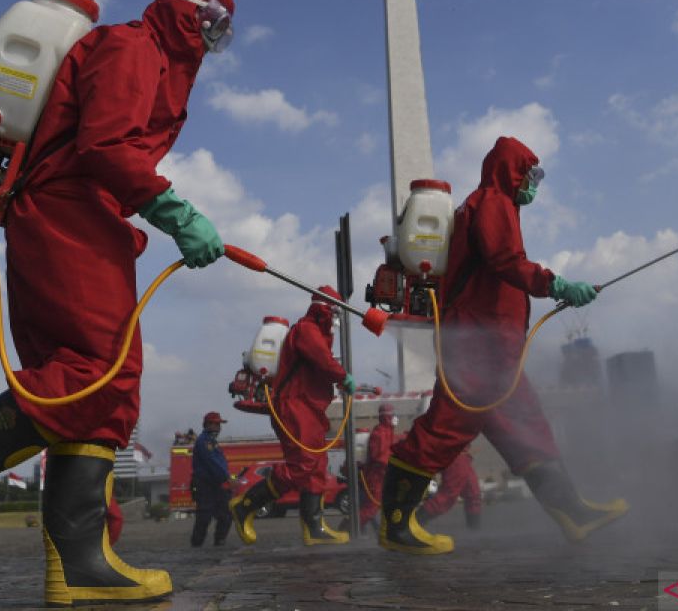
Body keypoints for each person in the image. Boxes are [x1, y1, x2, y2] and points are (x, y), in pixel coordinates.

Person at [0, 0, 235, 605]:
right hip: (68, 215)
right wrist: (175, 211)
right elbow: (106, 147)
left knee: (105, 389)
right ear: (189, 15)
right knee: (97, 371)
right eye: (213, 27)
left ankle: (80, 563)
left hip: (80, 219)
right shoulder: (134, 48)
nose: (214, 45)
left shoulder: (153, 60)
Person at [382, 136, 627, 555]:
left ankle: (573, 513)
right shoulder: (492, 201)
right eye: (531, 173)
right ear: (511, 171)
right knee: (446, 427)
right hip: (479, 345)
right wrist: (555, 284)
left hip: (494, 346)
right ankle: (395, 525)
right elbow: (504, 259)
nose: (534, 183)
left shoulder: (491, 204)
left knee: (526, 428)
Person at [230, 287, 355, 546]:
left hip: (308, 408)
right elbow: (322, 360)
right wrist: (342, 376)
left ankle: (314, 527)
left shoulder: (316, 333)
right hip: (295, 407)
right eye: (334, 312)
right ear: (325, 309)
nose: (335, 319)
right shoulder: (307, 330)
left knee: (316, 468)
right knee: (303, 465)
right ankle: (245, 504)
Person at [346, 402, 397, 532]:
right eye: (393, 414)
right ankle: (348, 529)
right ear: (388, 417)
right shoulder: (379, 433)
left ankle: (378, 532)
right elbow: (378, 456)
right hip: (376, 476)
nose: (395, 417)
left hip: (383, 476)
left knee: (377, 505)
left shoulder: (388, 432)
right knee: (371, 506)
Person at [190, 412, 232, 547]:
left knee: (225, 514)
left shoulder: (212, 442)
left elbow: (220, 463)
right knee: (204, 517)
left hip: (216, 484)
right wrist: (227, 478)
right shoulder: (204, 442)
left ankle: (219, 542)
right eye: (216, 424)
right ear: (208, 425)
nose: (219, 427)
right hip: (205, 485)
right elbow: (213, 462)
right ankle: (196, 545)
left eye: (219, 424)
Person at [418, 448, 483, 529]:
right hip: (453, 450)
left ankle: (474, 531)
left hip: (462, 453)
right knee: (448, 495)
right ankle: (413, 524)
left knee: (473, 492)